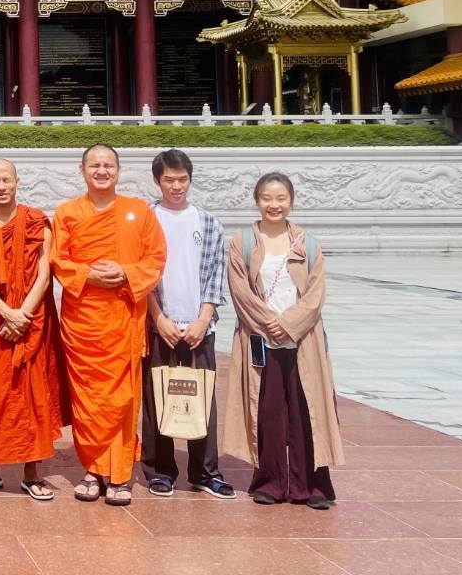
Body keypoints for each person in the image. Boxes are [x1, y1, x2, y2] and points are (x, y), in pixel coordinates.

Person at [51, 144, 166, 507]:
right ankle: (92, 470)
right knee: (89, 399)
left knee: (123, 398)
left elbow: (156, 257)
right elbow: (58, 260)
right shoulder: (68, 212)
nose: (102, 171)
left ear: (118, 170)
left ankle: (119, 474)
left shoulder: (139, 211)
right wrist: (88, 274)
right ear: (82, 170)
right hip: (83, 321)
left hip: (124, 318)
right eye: (94, 165)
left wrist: (125, 273)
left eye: (108, 165)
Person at [223, 172, 343, 508]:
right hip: (260, 340)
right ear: (256, 201)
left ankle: (311, 485)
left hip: (303, 340)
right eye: (267, 198)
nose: (274, 205)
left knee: (307, 411)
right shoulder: (243, 242)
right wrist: (267, 324)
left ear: (291, 201)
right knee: (268, 412)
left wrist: (288, 324)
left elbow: (316, 295)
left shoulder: (309, 244)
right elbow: (240, 291)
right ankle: (271, 482)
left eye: (280, 199)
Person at [0, 158, 64, 500]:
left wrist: (22, 315)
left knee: (32, 392)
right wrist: (6, 312)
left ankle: (32, 473)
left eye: (7, 180)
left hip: (30, 318)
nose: (2, 186)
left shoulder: (37, 222)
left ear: (18, 182)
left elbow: (44, 274)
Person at [141, 149, 236, 499]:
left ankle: (204, 471)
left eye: (182, 179)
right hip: (158, 324)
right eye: (169, 180)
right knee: (156, 400)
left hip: (199, 326)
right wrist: (158, 317)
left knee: (203, 399)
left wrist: (204, 318)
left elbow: (214, 274)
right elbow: (143, 275)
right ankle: (160, 470)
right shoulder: (146, 219)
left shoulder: (208, 222)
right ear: (157, 181)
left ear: (190, 179)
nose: (176, 186)